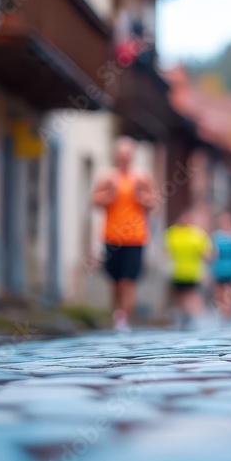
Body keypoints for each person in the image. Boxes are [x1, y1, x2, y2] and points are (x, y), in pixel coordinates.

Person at [92, 137, 155, 332]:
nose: (125, 157)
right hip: (112, 235)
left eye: (128, 153)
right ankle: (117, 315)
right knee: (115, 281)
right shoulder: (108, 177)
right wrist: (108, 196)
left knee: (128, 281)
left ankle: (124, 320)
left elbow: (153, 203)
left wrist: (142, 198)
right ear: (116, 155)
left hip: (135, 236)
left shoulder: (141, 177)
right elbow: (94, 200)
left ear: (132, 156)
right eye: (121, 153)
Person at [163, 211, 211, 331]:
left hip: (179, 270)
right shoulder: (198, 234)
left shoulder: (172, 233)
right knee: (190, 295)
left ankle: (185, 316)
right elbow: (207, 255)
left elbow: (167, 252)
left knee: (182, 295)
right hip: (190, 271)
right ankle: (189, 317)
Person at [211, 212, 231, 323]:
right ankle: (224, 314)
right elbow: (212, 253)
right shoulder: (216, 236)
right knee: (220, 293)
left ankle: (230, 313)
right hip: (220, 270)